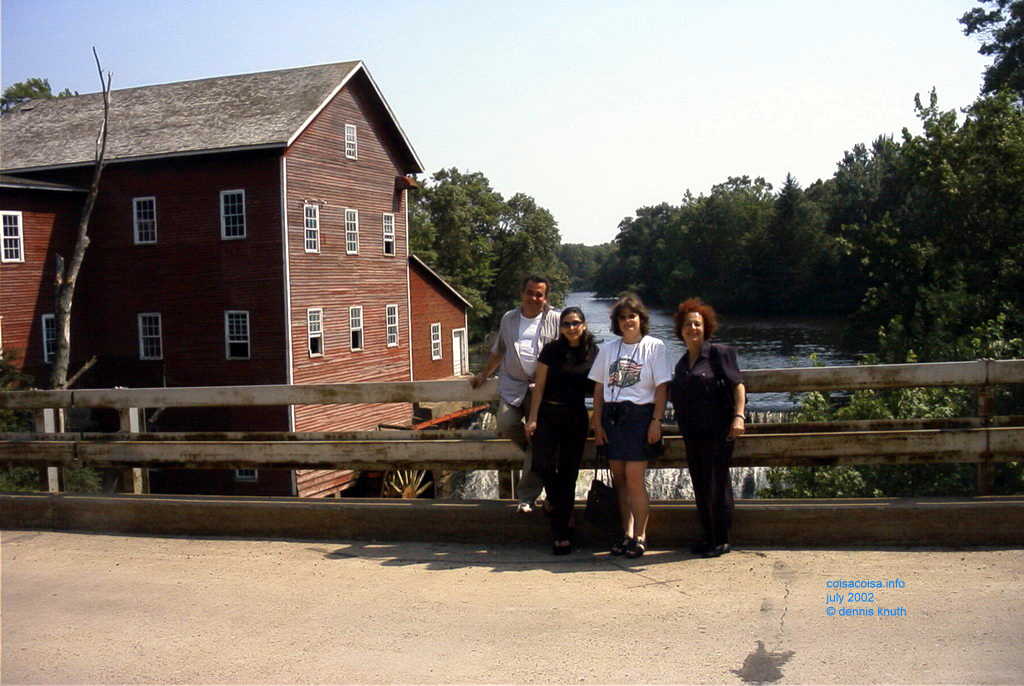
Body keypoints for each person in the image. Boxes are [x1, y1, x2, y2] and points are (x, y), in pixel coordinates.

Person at [588, 294, 672, 559]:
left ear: (641, 319)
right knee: (620, 480)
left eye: (632, 316)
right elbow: (599, 388)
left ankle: (641, 536)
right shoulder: (608, 349)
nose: (628, 321)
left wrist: (656, 420)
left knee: (635, 480)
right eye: (623, 317)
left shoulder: (654, 346)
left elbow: (661, 388)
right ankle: (626, 533)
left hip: (639, 417)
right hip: (612, 419)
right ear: (617, 322)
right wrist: (597, 421)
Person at [471, 276, 561, 512]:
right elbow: (499, 350)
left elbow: (566, 351)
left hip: (543, 389)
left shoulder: (555, 318)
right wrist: (483, 375)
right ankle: (536, 450)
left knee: (538, 438)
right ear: (522, 293)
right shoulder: (509, 318)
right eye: (530, 292)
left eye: (539, 294)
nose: (534, 298)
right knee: (505, 422)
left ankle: (526, 497)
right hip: (513, 386)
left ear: (546, 297)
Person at [670, 297, 746, 558]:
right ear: (680, 330)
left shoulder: (719, 353)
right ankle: (707, 536)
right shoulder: (682, 364)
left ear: (706, 328)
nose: (693, 329)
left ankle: (722, 539)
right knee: (700, 484)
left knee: (717, 482)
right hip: (693, 433)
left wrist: (739, 416)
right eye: (688, 325)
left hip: (719, 430)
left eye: (697, 324)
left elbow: (738, 384)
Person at [524, 307, 598, 554]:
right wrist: (532, 418)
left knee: (568, 473)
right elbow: (540, 385)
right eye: (566, 324)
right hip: (548, 414)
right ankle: (556, 503)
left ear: (584, 325)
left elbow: (600, 387)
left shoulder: (593, 352)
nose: (570, 328)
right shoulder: (551, 350)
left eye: (575, 323)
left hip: (575, 416)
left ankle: (561, 534)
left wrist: (598, 417)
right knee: (542, 464)